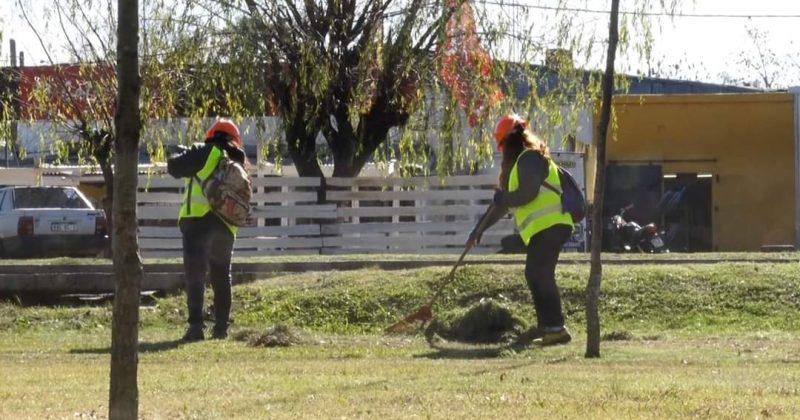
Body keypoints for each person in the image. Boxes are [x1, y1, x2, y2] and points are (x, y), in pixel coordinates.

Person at [467, 114, 574, 347]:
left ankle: (554, 328)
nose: (503, 149)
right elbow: (501, 205)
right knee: (536, 273)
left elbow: (527, 194)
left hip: (551, 224)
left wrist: (503, 197)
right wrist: (478, 230)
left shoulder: (530, 158)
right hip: (545, 227)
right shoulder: (519, 165)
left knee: (539, 273)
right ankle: (549, 328)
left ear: (511, 140)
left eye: (503, 144)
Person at [167, 118, 247, 341]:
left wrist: (177, 153)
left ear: (211, 135)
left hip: (197, 222)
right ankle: (221, 328)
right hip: (225, 225)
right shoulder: (238, 160)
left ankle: (195, 328)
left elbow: (174, 167)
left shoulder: (204, 151)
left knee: (196, 275)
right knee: (221, 276)